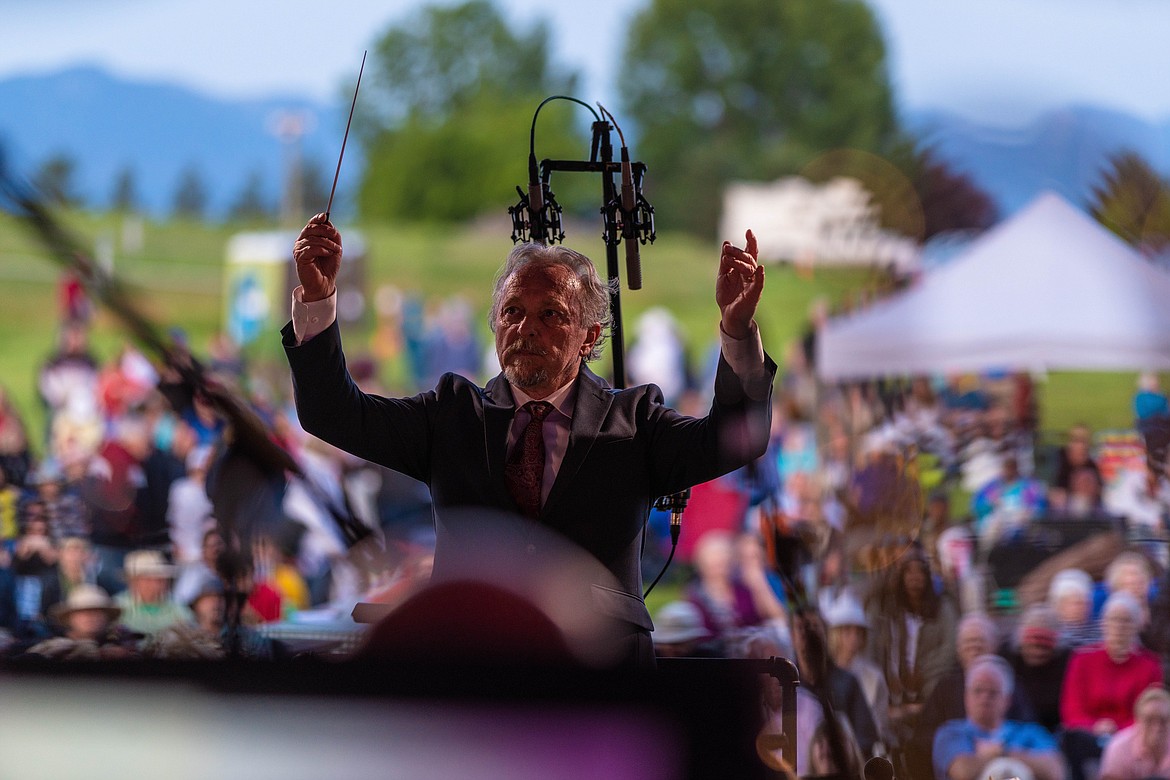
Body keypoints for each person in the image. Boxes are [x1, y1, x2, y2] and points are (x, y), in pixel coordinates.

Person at [284, 216, 774, 666]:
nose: (526, 328)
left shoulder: (634, 421)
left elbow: (736, 439)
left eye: (551, 315)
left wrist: (736, 330)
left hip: (598, 679)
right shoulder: (452, 414)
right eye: (513, 311)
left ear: (589, 335)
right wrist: (316, 300)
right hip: (471, 674)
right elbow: (334, 414)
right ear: (495, 323)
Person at [1060, 591, 1164, 780]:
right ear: (1104, 624)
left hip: (1132, 738)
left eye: (1126, 621)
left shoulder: (1150, 665)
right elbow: (1071, 711)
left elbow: (1150, 712)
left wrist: (1118, 730)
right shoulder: (1082, 660)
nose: (1119, 627)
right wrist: (1095, 726)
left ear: (1136, 626)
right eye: (1114, 620)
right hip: (1088, 735)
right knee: (1071, 739)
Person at [932, 654, 1065, 780]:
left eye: (993, 693)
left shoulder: (1030, 732)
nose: (984, 698)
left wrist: (1002, 752)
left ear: (1007, 700)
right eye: (978, 691)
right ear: (966, 696)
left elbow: (1055, 771)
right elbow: (962, 771)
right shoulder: (951, 732)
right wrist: (1020, 757)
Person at [1099, 685, 1170, 780]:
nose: (1156, 727)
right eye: (1149, 720)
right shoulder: (1119, 749)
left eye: (1163, 720)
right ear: (1138, 721)